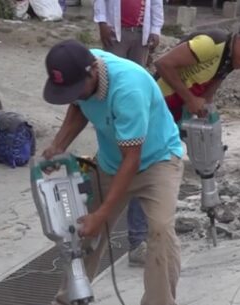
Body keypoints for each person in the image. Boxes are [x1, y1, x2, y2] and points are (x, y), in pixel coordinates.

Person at [27, 40, 185, 305]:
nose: (73, 95)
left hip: (156, 161)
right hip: (113, 160)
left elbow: (133, 160)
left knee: (160, 231)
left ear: (92, 75)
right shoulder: (83, 68)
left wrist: (103, 216)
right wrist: (59, 145)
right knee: (80, 230)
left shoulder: (129, 88)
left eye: (76, 88)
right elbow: (78, 106)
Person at [126, 25, 240, 250]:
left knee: (163, 170)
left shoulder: (228, 62)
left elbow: (208, 92)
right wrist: (189, 98)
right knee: (147, 169)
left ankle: (152, 231)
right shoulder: (211, 43)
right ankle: (138, 241)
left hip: (175, 115)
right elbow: (163, 64)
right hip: (155, 108)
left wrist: (204, 117)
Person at [94, 0, 164, 267]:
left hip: (140, 31)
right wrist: (102, 22)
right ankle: (112, 125)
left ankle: (129, 126)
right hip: (117, 29)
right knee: (110, 77)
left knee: (136, 79)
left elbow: (155, 3)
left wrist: (155, 28)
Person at [94, 0, 164, 66]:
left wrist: (155, 30)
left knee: (137, 71)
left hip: (141, 33)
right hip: (115, 32)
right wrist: (102, 22)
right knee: (113, 68)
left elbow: (156, 4)